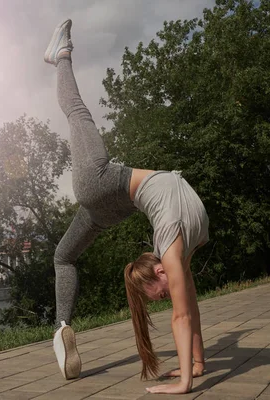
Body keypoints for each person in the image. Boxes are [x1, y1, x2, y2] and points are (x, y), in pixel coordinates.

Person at [44, 19, 209, 394]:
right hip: (104, 186)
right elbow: (183, 316)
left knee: (63, 257)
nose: (165, 298)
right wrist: (184, 382)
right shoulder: (172, 247)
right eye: (161, 294)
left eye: (157, 298)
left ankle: (61, 326)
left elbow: (189, 307)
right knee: (78, 113)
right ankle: (61, 55)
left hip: (111, 202)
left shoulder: (174, 249)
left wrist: (198, 365)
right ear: (159, 272)